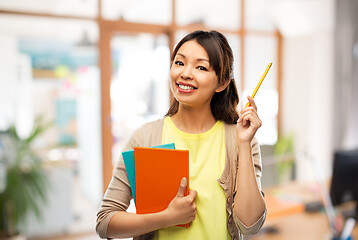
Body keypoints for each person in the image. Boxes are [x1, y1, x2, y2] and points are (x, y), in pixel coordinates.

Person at [96, 30, 266, 240]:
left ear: (222, 83)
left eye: (201, 67)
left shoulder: (240, 140)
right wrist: (166, 217)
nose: (185, 73)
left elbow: (250, 225)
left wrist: (243, 142)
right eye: (179, 63)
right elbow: (105, 223)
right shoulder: (145, 138)